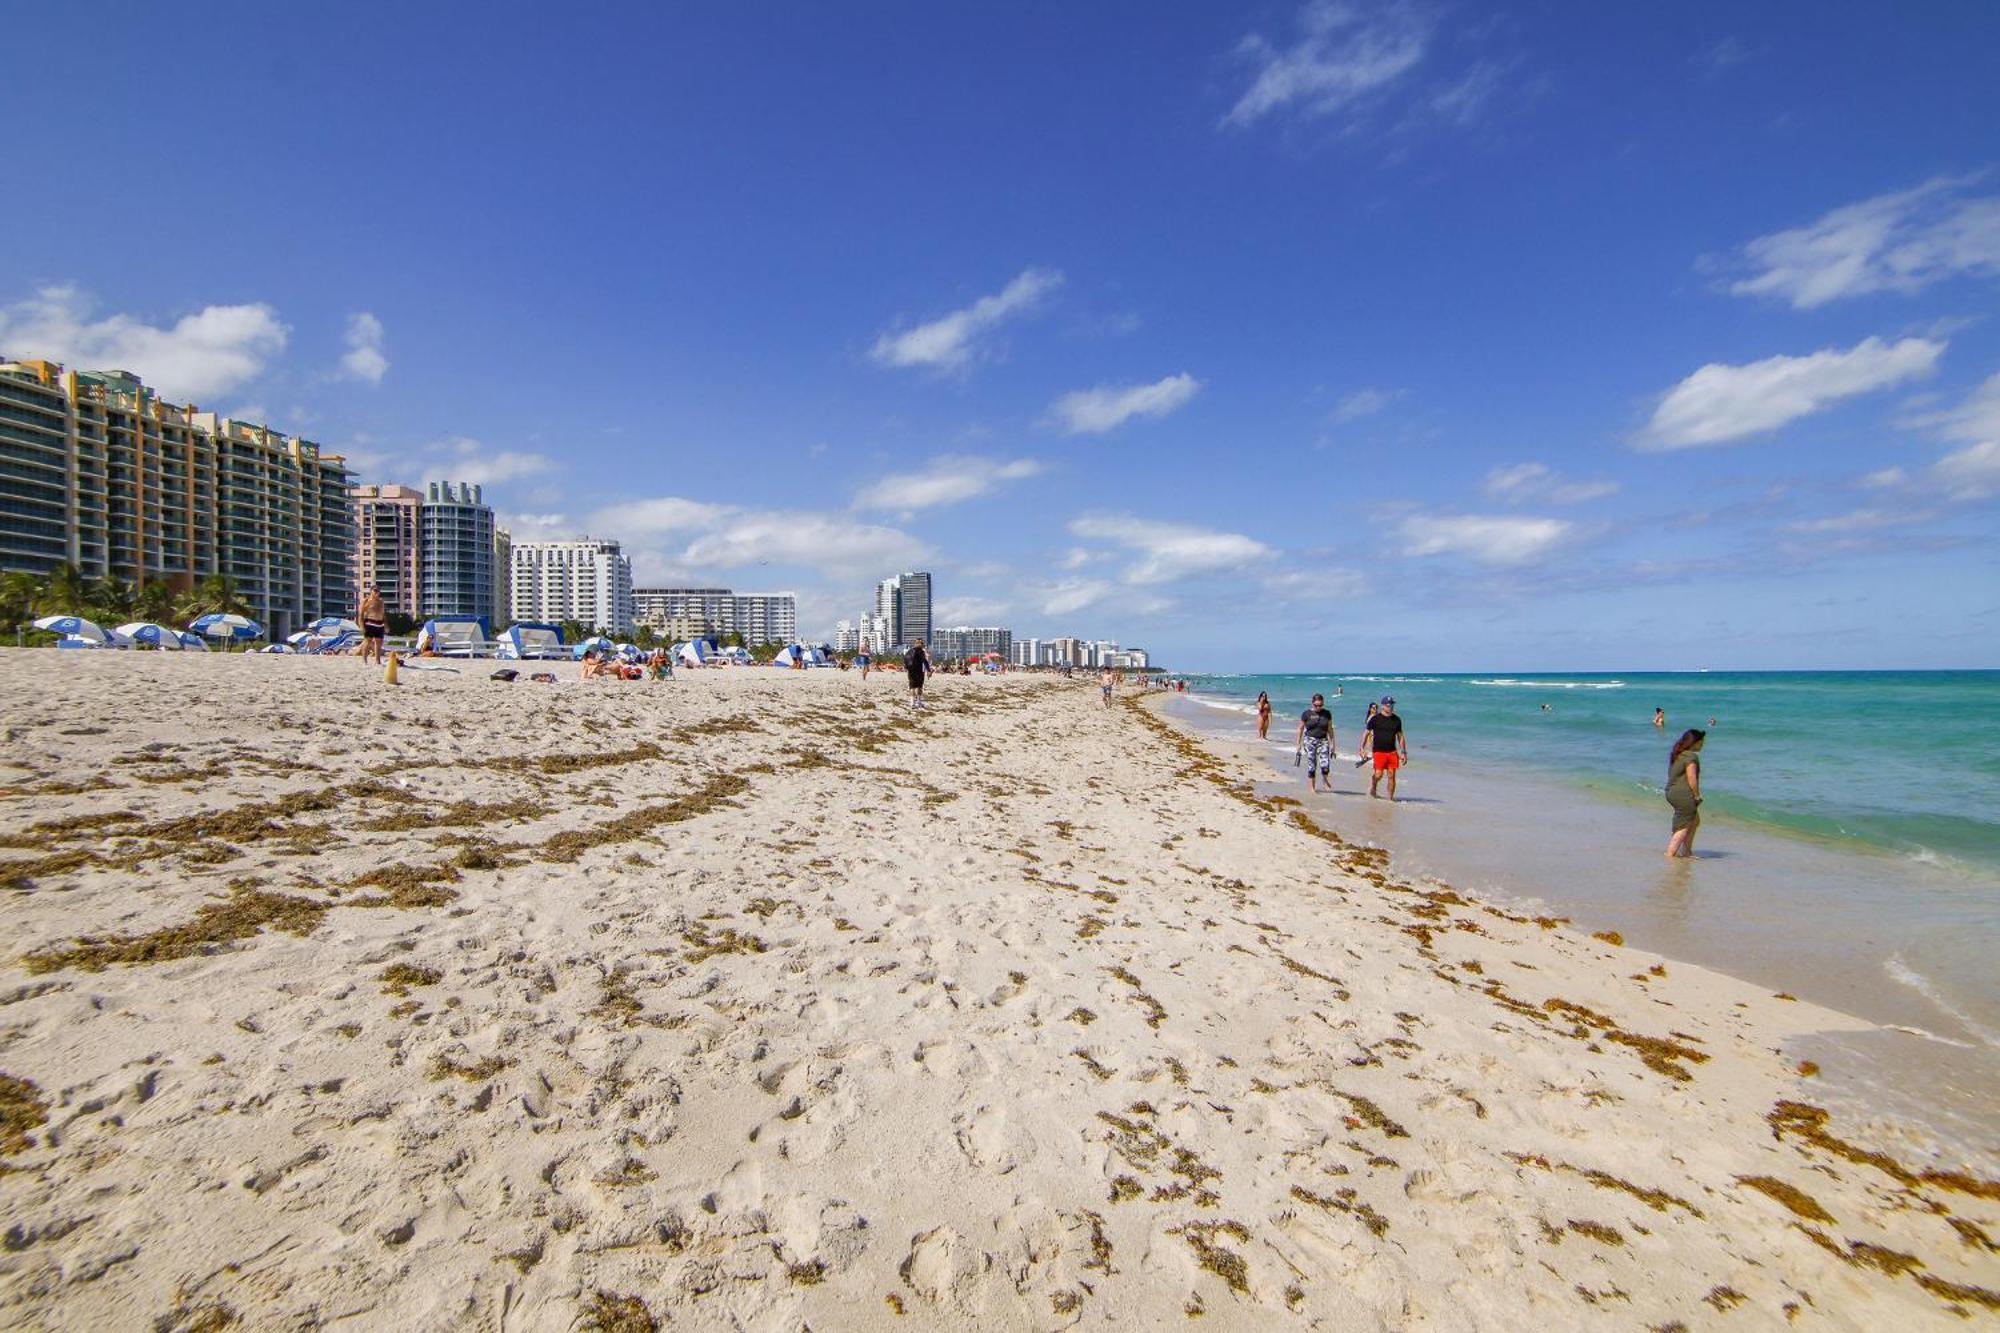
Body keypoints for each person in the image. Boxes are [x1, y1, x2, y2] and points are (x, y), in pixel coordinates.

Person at [1664, 728, 1705, 858]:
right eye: (1701, 742)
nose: (1703, 745)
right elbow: (1691, 778)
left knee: (1694, 821)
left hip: (1671, 792)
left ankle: (1687, 851)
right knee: (1684, 826)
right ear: (1695, 742)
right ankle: (1670, 854)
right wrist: (1697, 795)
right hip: (1683, 794)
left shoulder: (1678, 754)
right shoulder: (1691, 756)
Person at [1362, 695, 1408, 800]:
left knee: (1392, 775)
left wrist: (1403, 752)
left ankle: (1390, 799)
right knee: (1378, 774)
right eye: (1388, 705)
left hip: (1392, 751)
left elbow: (1400, 737)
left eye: (1392, 704)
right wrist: (1362, 748)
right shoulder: (1375, 719)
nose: (1390, 707)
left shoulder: (1397, 720)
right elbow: (1366, 733)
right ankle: (1373, 786)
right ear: (1383, 706)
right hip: (1378, 751)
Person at [1295, 692, 1336, 794]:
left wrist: (1333, 744)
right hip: (1310, 740)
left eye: (1320, 705)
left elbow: (1330, 729)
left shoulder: (1327, 714)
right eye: (1316, 705)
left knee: (1325, 764)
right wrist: (1298, 744)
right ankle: (1312, 787)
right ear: (1312, 703)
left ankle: (1324, 780)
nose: (1318, 707)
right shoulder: (1306, 714)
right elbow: (1300, 729)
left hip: (1323, 740)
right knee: (1312, 764)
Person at [359, 585, 387, 666]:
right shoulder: (366, 600)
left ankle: (377, 661)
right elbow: (361, 613)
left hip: (379, 623)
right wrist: (361, 625)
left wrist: (386, 624)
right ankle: (364, 660)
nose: (377, 592)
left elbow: (383, 614)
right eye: (375, 590)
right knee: (368, 641)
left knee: (379, 642)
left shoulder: (381, 601)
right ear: (371, 591)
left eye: (378, 591)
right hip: (369, 622)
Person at [905, 640, 932, 709]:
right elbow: (925, 661)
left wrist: (907, 668)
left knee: (912, 687)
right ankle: (919, 702)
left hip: (911, 671)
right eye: (922, 643)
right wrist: (928, 670)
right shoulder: (921, 651)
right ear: (919, 644)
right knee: (919, 687)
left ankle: (912, 703)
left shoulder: (909, 651)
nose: (923, 645)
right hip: (919, 671)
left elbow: (905, 660)